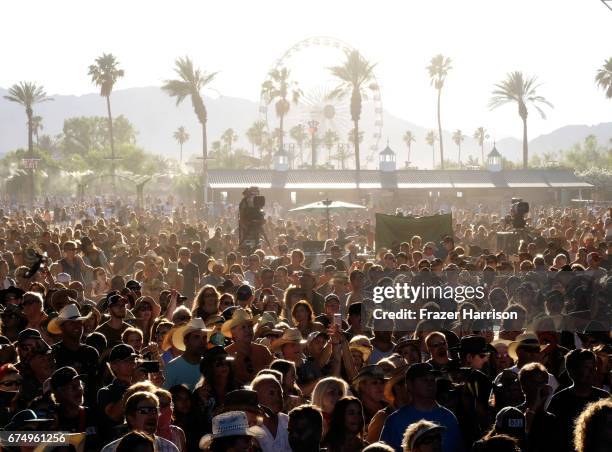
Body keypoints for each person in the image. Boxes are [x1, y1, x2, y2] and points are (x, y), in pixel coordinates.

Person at [380, 363, 464, 452]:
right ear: (409, 384)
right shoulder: (395, 421)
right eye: (424, 380)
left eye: (432, 380)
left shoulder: (448, 417)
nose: (430, 384)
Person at [548, 349, 610, 452]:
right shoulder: (559, 400)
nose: (592, 371)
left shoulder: (604, 398)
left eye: (593, 367)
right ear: (572, 371)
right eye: (586, 367)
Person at [101, 391, 179, 452]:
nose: (152, 414)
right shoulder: (110, 449)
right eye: (144, 410)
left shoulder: (170, 448)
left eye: (155, 410)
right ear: (131, 417)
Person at [516, 362, 562, 452]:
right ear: (523, 387)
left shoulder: (551, 419)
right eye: (534, 383)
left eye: (542, 383)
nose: (539, 387)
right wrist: (533, 407)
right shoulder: (515, 413)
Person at [97, 344, 138, 443]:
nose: (132, 364)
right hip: (118, 443)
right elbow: (114, 416)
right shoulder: (106, 392)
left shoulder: (143, 386)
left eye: (133, 360)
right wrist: (134, 387)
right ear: (113, 366)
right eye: (126, 361)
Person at [222, 308, 272, 385]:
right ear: (233, 333)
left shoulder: (263, 350)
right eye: (243, 327)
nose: (248, 330)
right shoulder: (226, 354)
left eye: (250, 326)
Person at [163, 317, 210, 390]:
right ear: (186, 341)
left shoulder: (209, 366)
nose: (202, 341)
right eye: (196, 337)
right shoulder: (172, 367)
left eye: (204, 337)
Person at [251, 374, 290, 452]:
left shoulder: (289, 421)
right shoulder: (251, 427)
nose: (278, 397)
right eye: (272, 393)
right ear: (257, 397)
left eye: (280, 392)